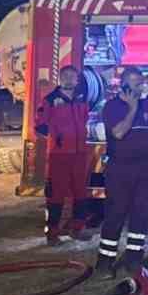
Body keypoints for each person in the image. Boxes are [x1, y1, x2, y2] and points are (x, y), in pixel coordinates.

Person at [97, 65, 148, 286]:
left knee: (141, 214)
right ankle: (104, 264)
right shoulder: (113, 107)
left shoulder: (146, 105)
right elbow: (118, 132)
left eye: (141, 82)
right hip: (119, 170)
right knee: (115, 215)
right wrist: (133, 108)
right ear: (125, 84)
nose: (141, 86)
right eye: (137, 83)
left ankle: (134, 261)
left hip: (142, 170)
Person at [35, 66, 95, 246]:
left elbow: (85, 120)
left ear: (77, 80)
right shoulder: (50, 100)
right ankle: (52, 234)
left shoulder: (81, 99)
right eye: (66, 76)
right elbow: (39, 127)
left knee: (80, 193)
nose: (70, 79)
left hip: (80, 153)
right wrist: (58, 137)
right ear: (60, 79)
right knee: (56, 194)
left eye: (73, 76)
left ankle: (77, 229)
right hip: (59, 155)